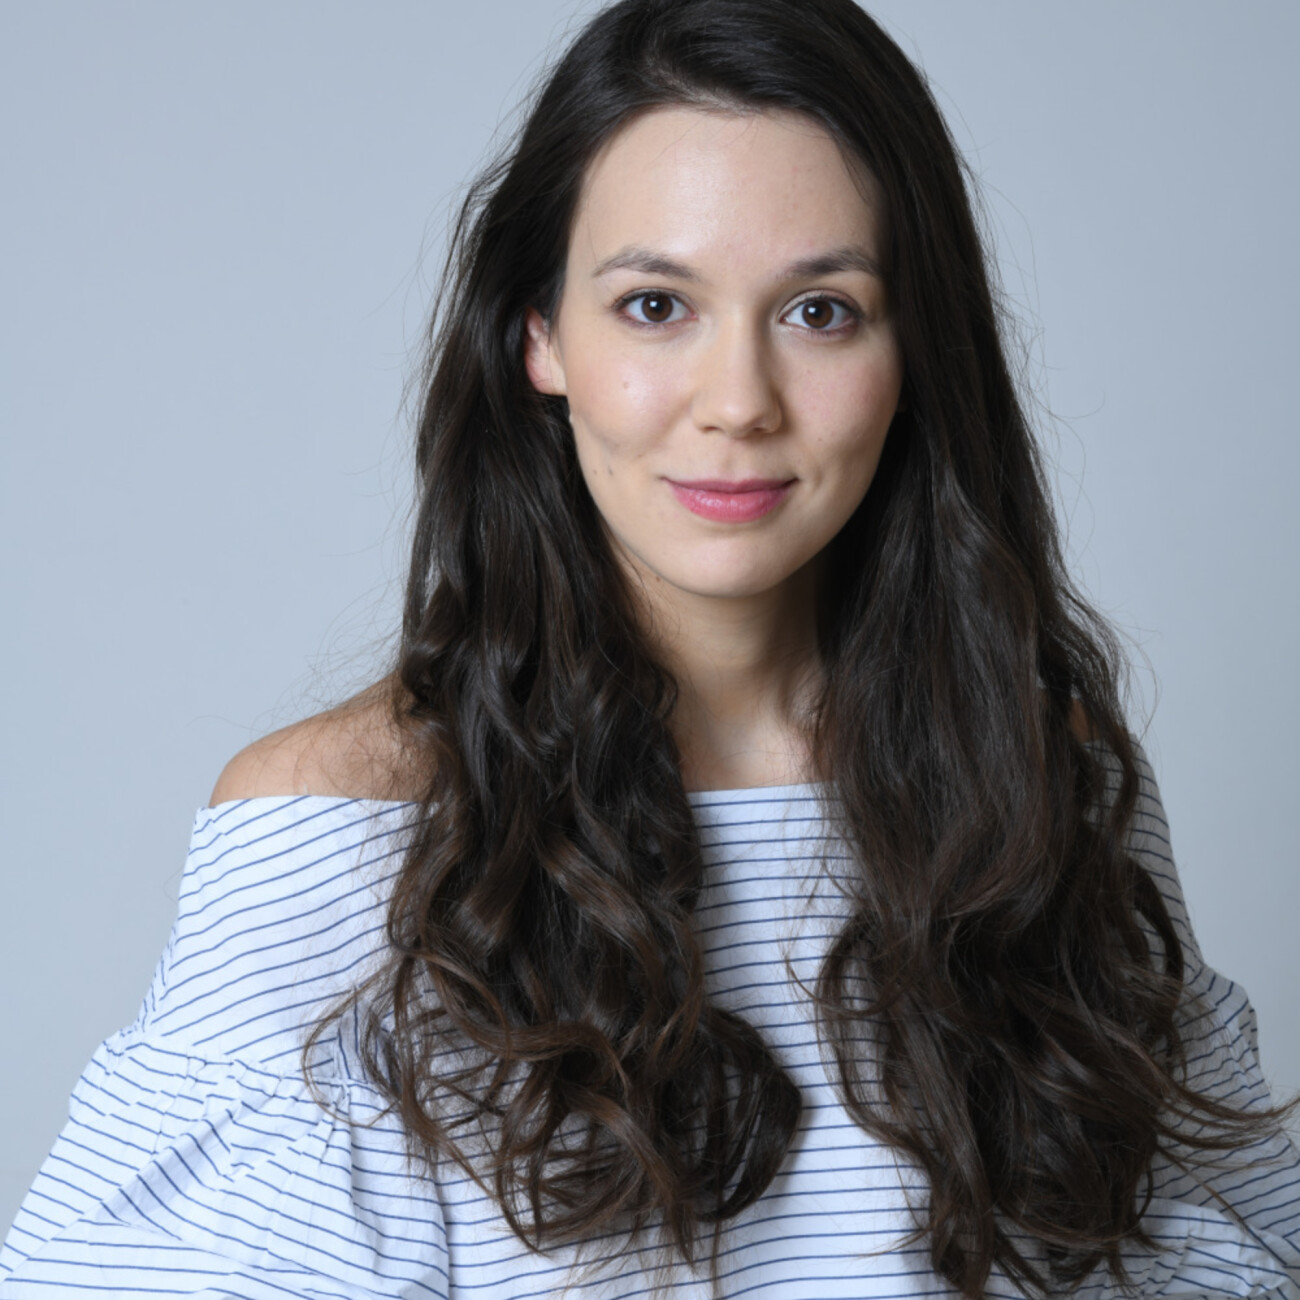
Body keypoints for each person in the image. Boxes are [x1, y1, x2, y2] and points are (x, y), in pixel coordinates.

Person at [3, 0, 1297, 1296]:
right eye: (656, 304)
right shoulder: (336, 823)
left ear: (914, 350)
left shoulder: (1033, 770)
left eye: (821, 311)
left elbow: (1224, 1253)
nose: (737, 402)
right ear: (540, 336)